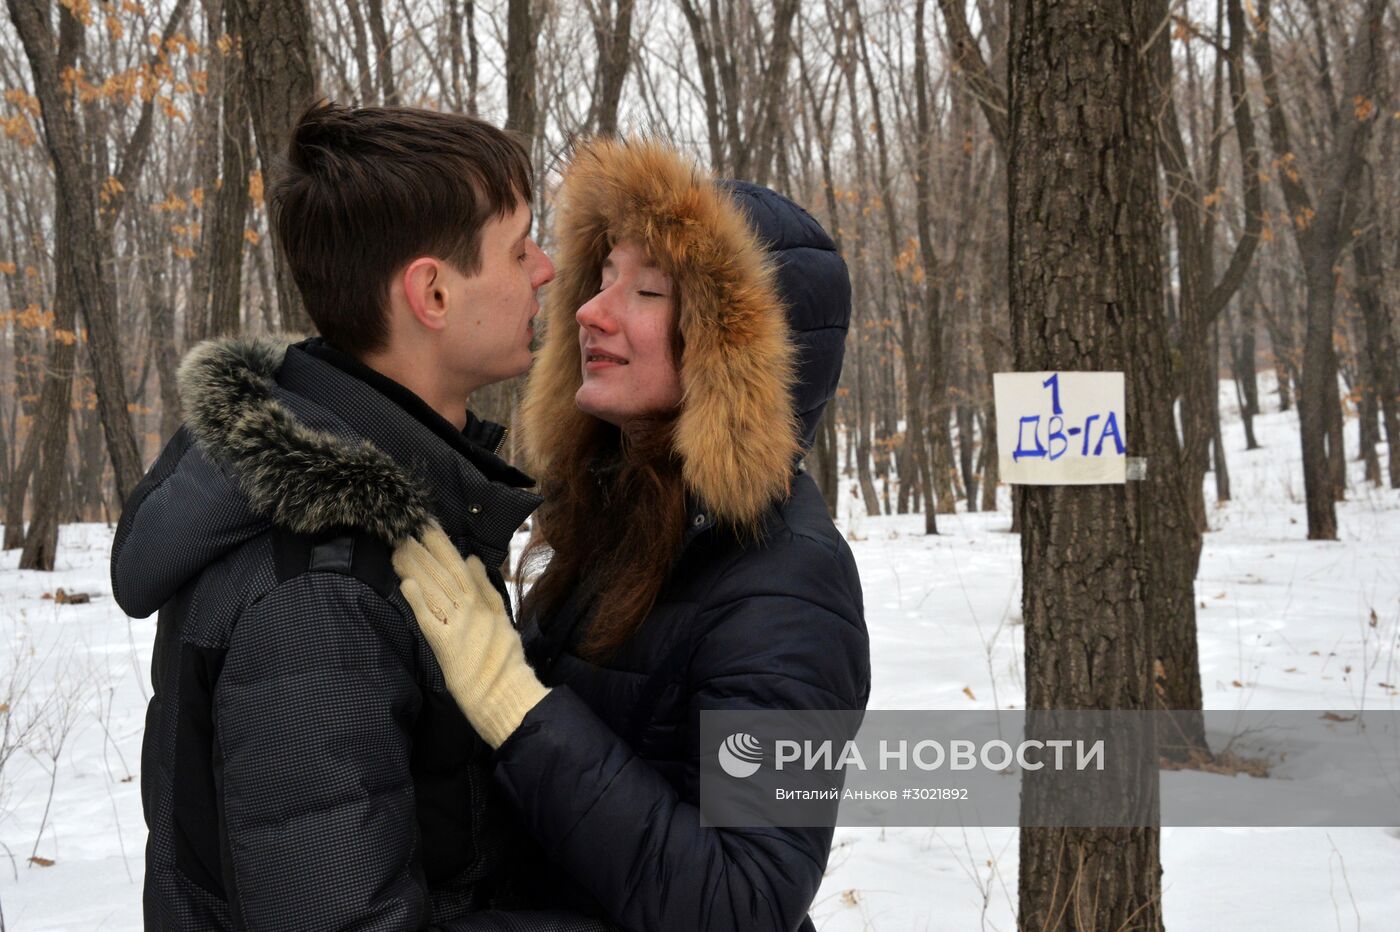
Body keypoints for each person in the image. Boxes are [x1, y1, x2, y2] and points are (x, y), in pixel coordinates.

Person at [110, 102, 600, 931]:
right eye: (518, 248)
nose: (546, 269)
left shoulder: (393, 514)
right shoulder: (317, 592)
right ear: (432, 292)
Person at [393, 138, 870, 931]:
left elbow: (743, 903)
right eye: (603, 276)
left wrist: (520, 709)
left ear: (734, 357)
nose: (588, 311)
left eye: (647, 290)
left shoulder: (790, 583)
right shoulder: (613, 517)